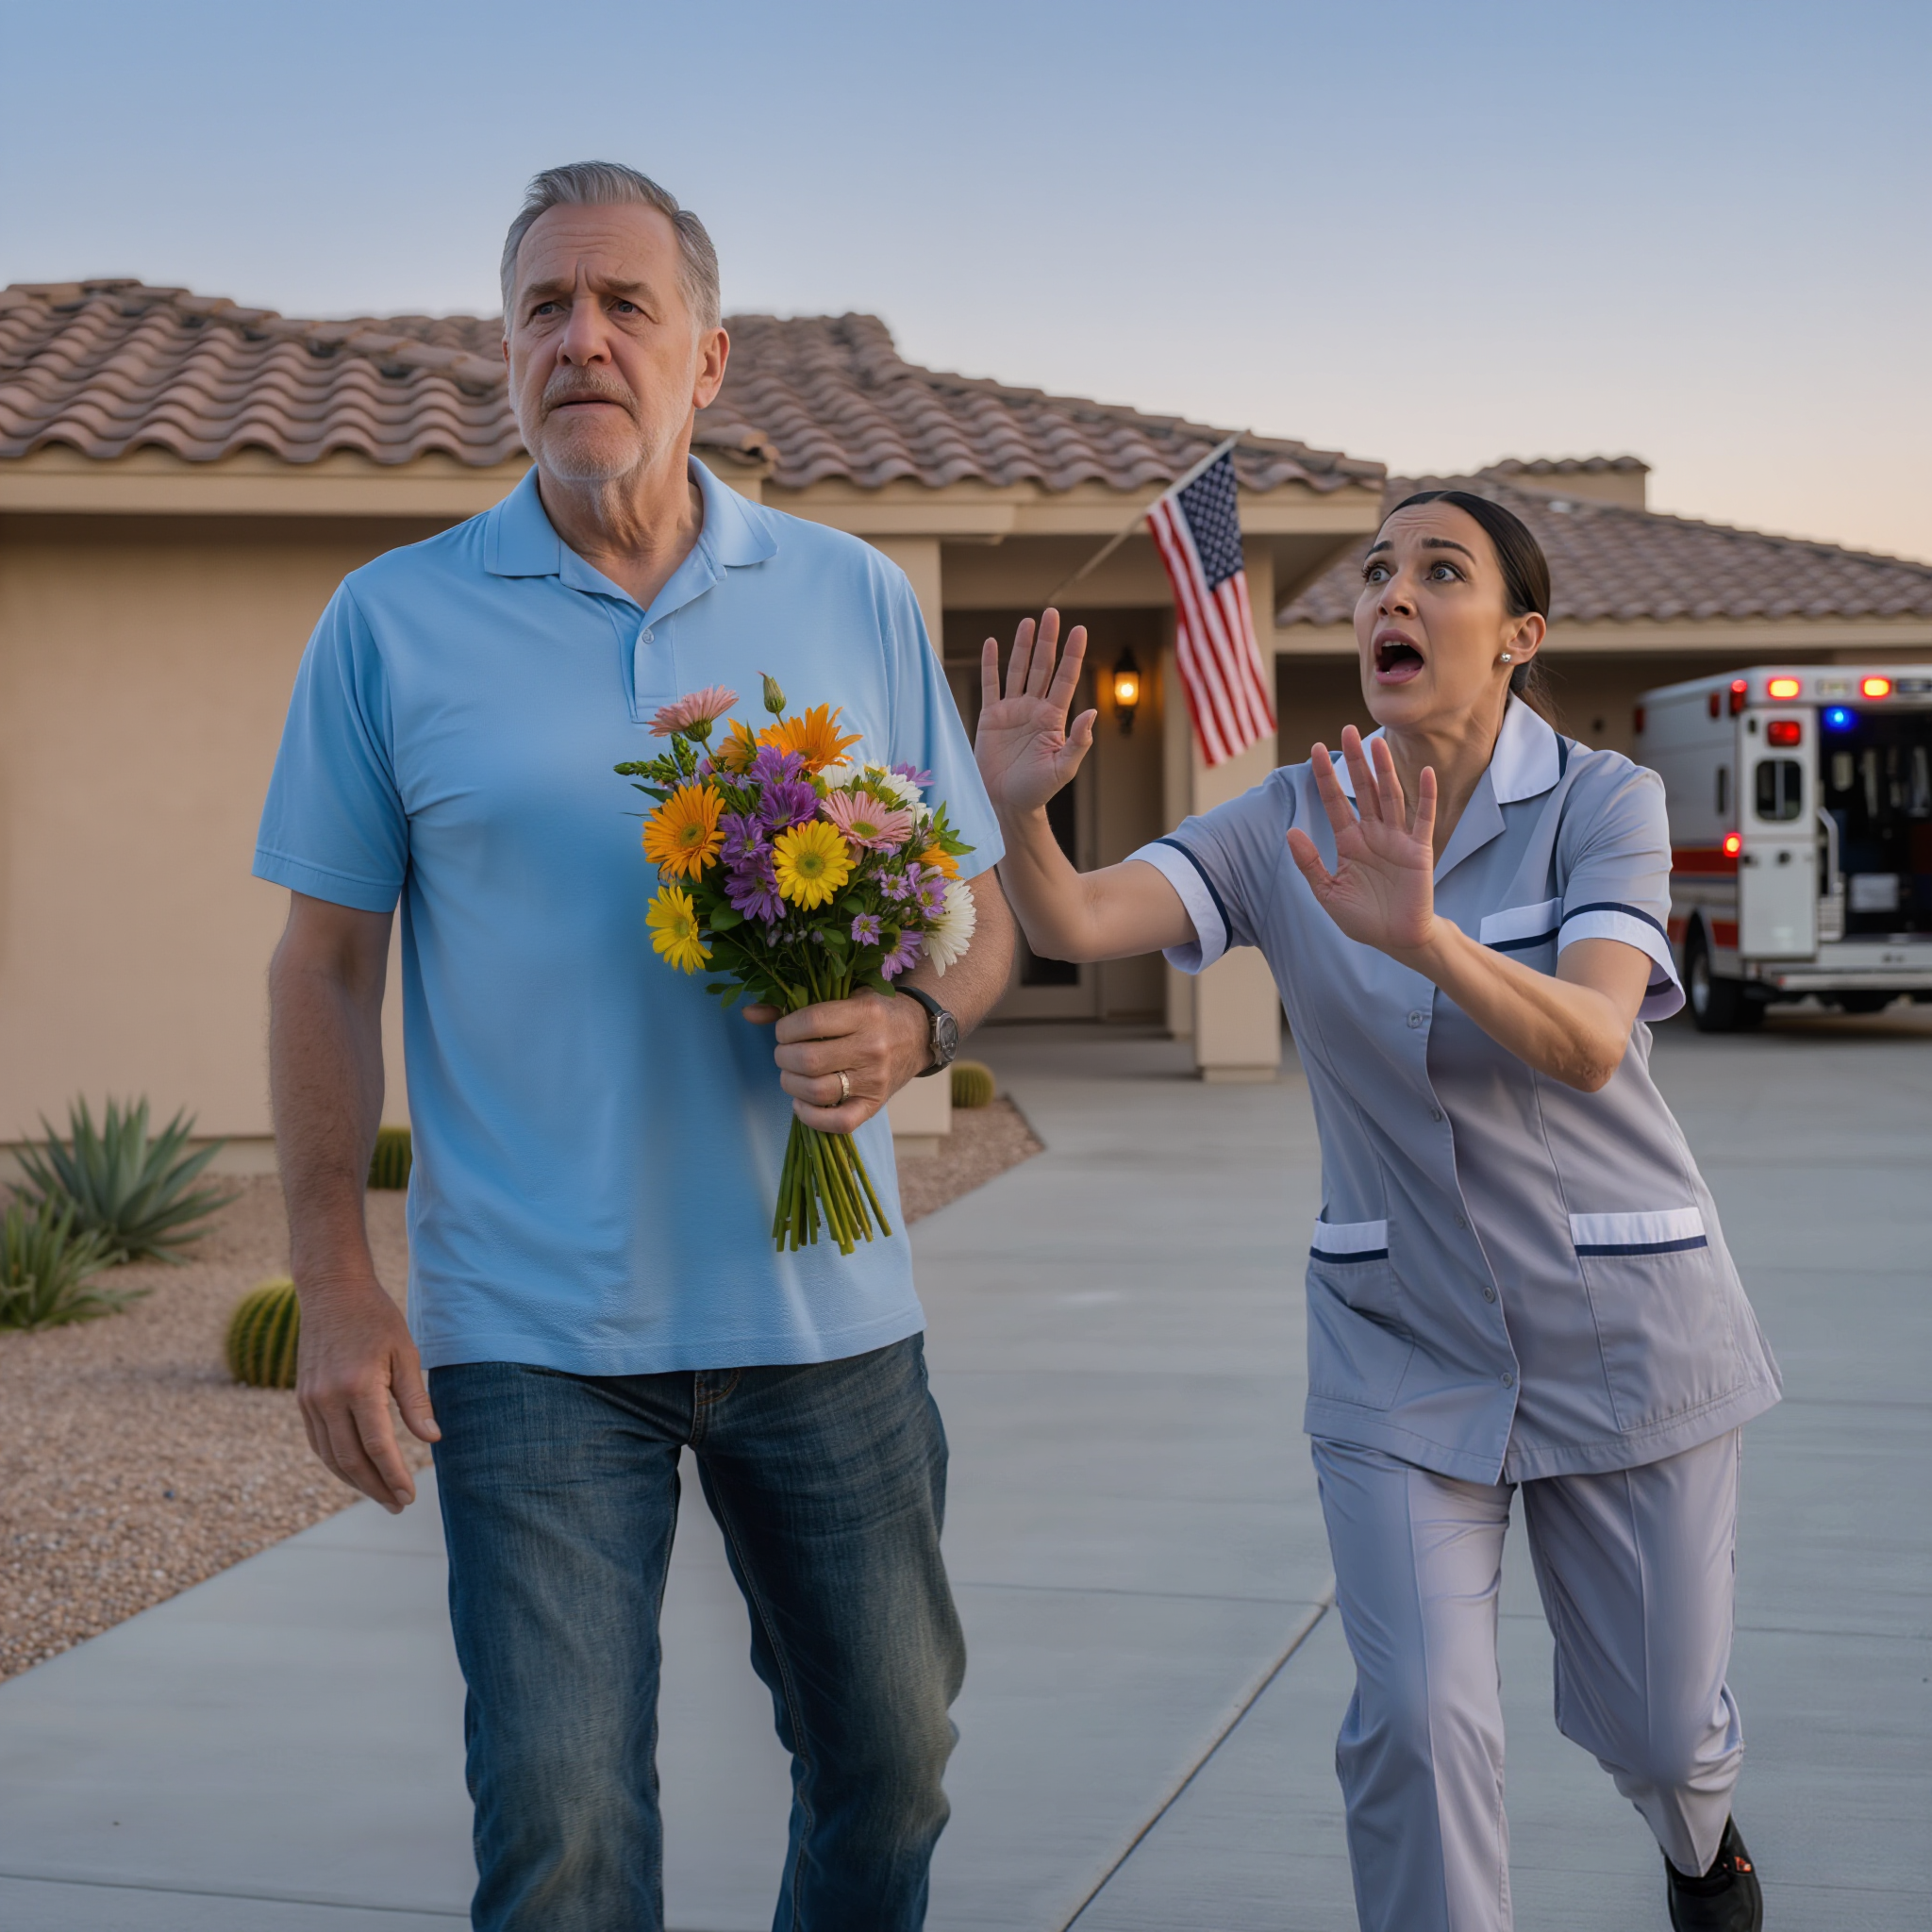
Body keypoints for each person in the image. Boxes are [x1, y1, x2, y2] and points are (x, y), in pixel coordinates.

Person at [256, 161, 1014, 1932]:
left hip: (825, 1322)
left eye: (624, 305)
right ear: (504, 356)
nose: (580, 339)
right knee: (563, 1841)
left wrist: (913, 1023)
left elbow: (979, 921)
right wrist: (335, 1281)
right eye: (543, 308)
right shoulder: (390, 622)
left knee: (892, 1768)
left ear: (708, 360)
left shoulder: (848, 595)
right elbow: (323, 967)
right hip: (533, 1338)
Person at [974, 491, 1779, 1932]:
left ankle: (1702, 1849)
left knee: (1662, 1738)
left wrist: (1425, 939)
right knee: (1416, 1727)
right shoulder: (1291, 816)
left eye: (1439, 572)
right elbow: (1075, 921)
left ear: (1520, 635)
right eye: (1375, 573)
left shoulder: (1605, 802)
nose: (1389, 596)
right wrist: (1021, 813)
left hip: (1623, 1331)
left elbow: (1592, 1041)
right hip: (1398, 1338)